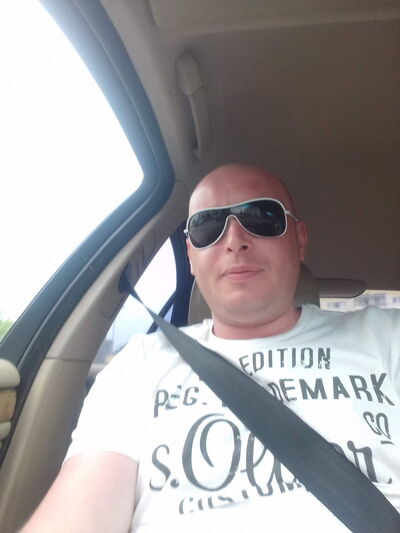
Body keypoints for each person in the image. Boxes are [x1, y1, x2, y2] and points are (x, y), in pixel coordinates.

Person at [22, 164, 400, 532]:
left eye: (261, 217)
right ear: (190, 255)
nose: (234, 240)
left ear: (299, 239)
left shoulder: (386, 336)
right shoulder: (139, 366)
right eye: (208, 226)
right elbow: (81, 510)